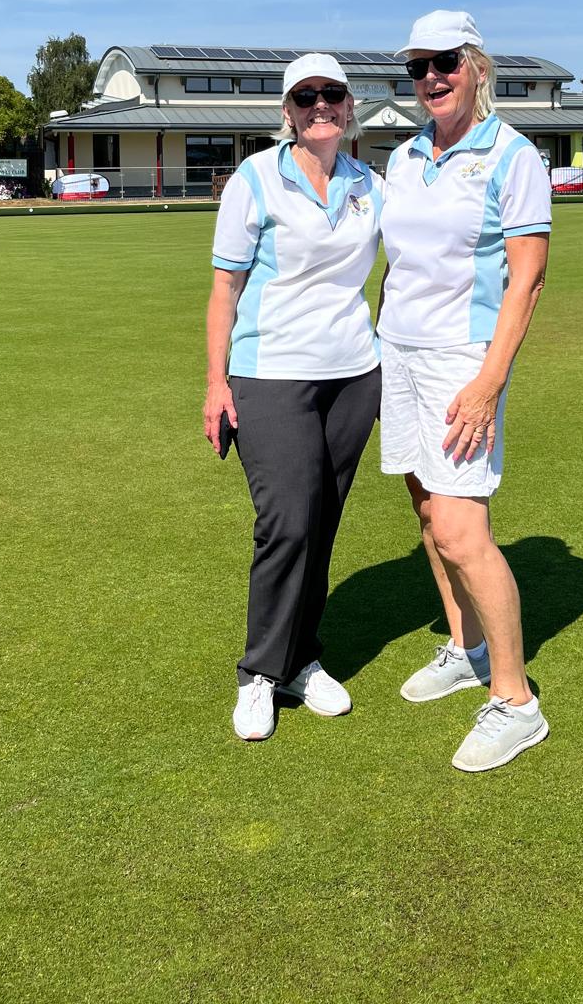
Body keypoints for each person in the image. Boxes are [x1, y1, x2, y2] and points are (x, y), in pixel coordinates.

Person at [378, 10, 551, 773]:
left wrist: (489, 381)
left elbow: (528, 277)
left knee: (459, 528)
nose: (431, 80)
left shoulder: (513, 156)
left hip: (461, 360)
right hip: (400, 351)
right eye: (418, 68)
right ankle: (466, 648)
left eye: (445, 62)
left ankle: (515, 702)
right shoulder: (406, 156)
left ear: (478, 65)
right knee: (425, 511)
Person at [204, 54, 383, 742]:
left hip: (353, 373)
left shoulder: (372, 182)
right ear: (287, 111)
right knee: (288, 522)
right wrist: (216, 383)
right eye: (305, 97)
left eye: (331, 95)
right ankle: (259, 673)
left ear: (348, 106)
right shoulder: (254, 179)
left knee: (323, 521)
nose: (319, 106)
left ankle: (302, 660)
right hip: (270, 370)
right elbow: (225, 288)